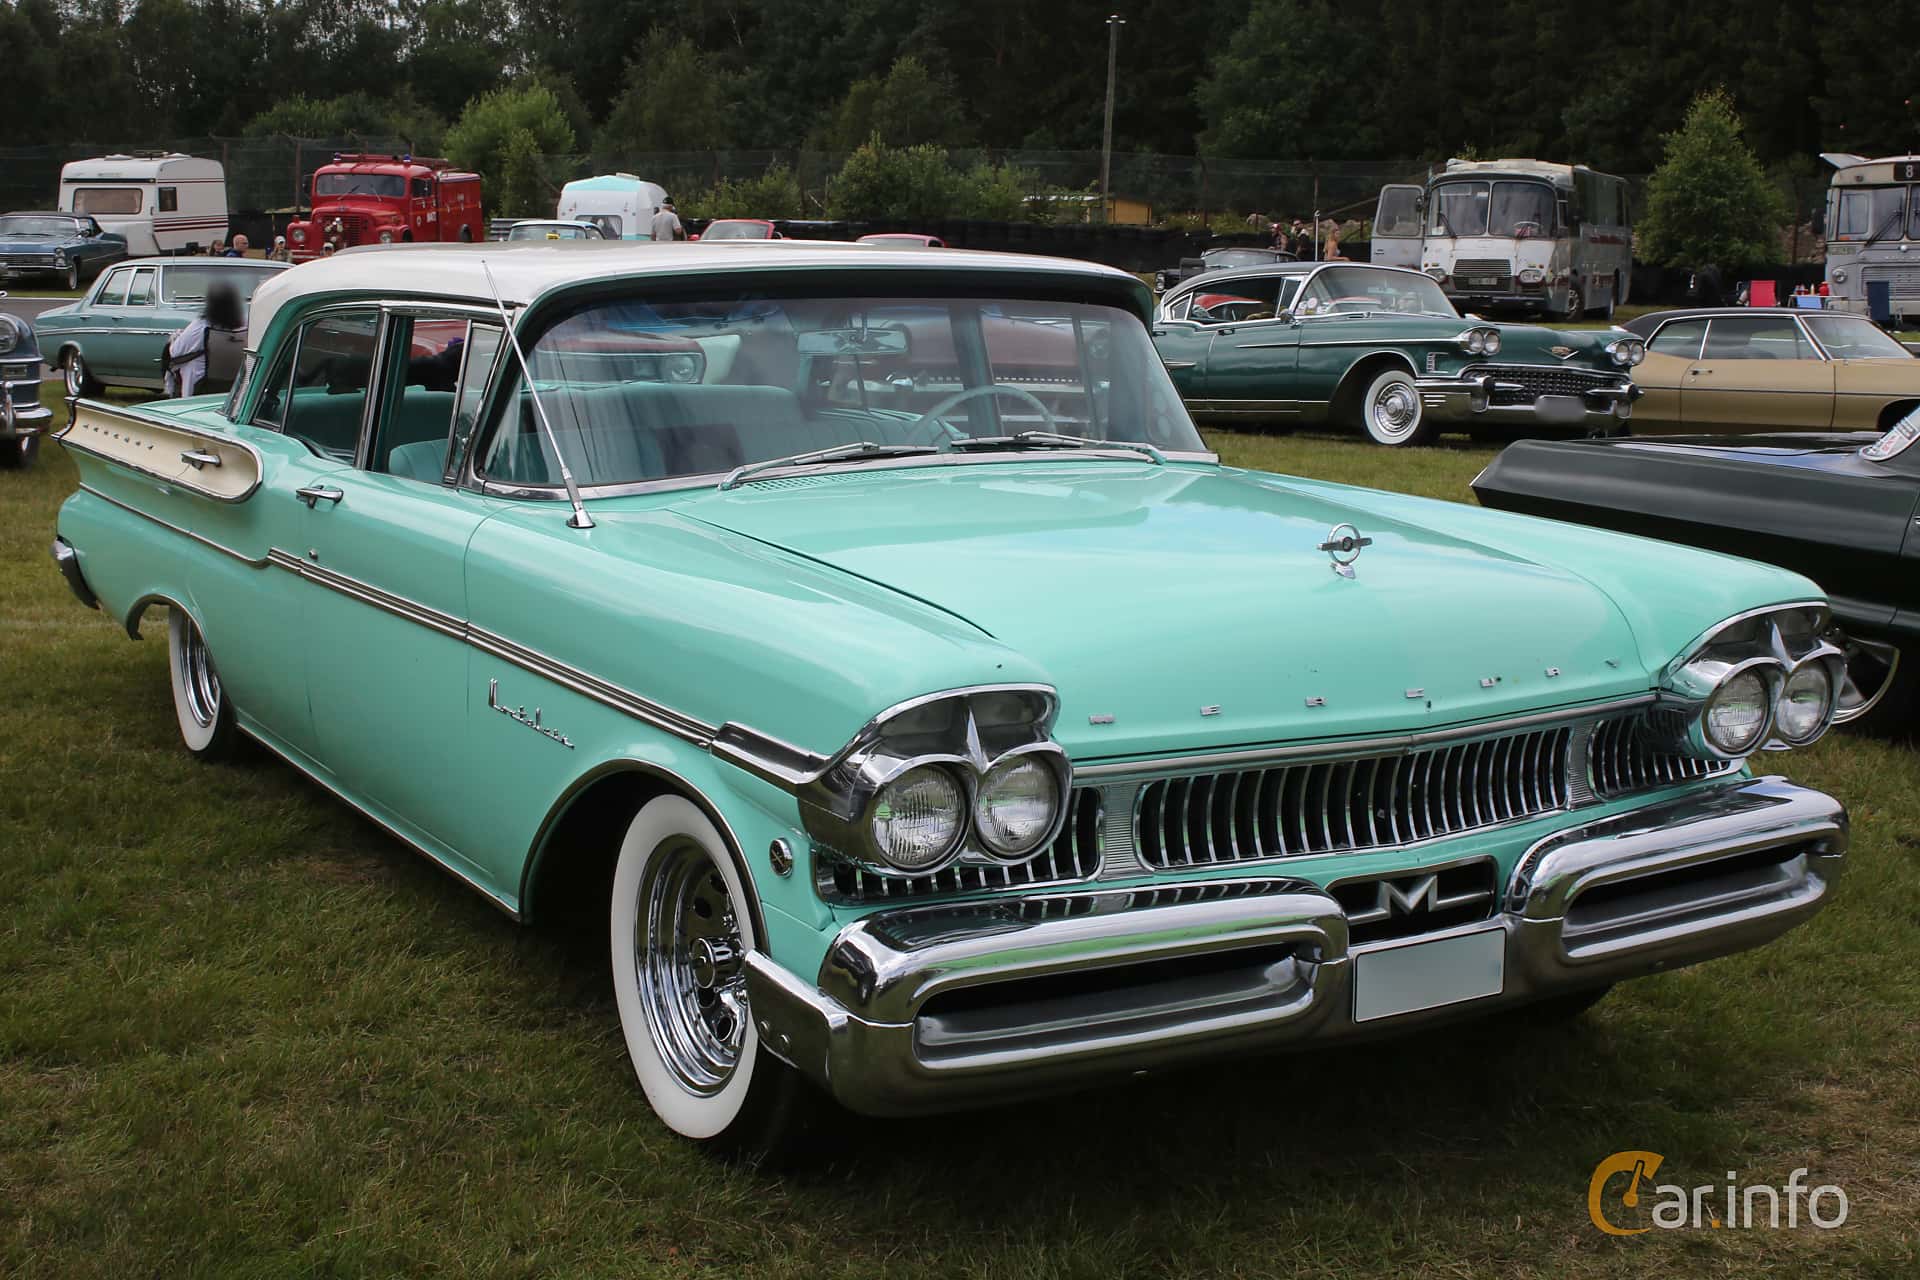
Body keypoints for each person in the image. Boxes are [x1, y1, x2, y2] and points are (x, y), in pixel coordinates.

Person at [163, 282, 244, 398]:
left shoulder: (201, 326)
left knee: (180, 356)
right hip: (235, 384)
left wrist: (176, 338)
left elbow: (175, 352)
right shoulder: (244, 327)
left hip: (202, 385)